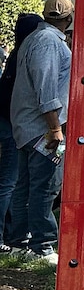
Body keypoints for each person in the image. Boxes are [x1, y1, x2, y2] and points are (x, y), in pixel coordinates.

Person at [7, 0, 75, 263]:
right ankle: (42, 244)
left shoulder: (36, 38)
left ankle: (19, 240)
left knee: (25, 186)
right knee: (45, 186)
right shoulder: (48, 42)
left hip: (29, 126)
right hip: (43, 128)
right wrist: (55, 128)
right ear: (68, 19)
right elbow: (45, 88)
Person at [0, 13, 42, 253]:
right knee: (10, 182)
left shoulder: (18, 53)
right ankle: (6, 234)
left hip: (11, 122)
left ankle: (11, 231)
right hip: (14, 124)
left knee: (13, 182)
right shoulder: (26, 54)